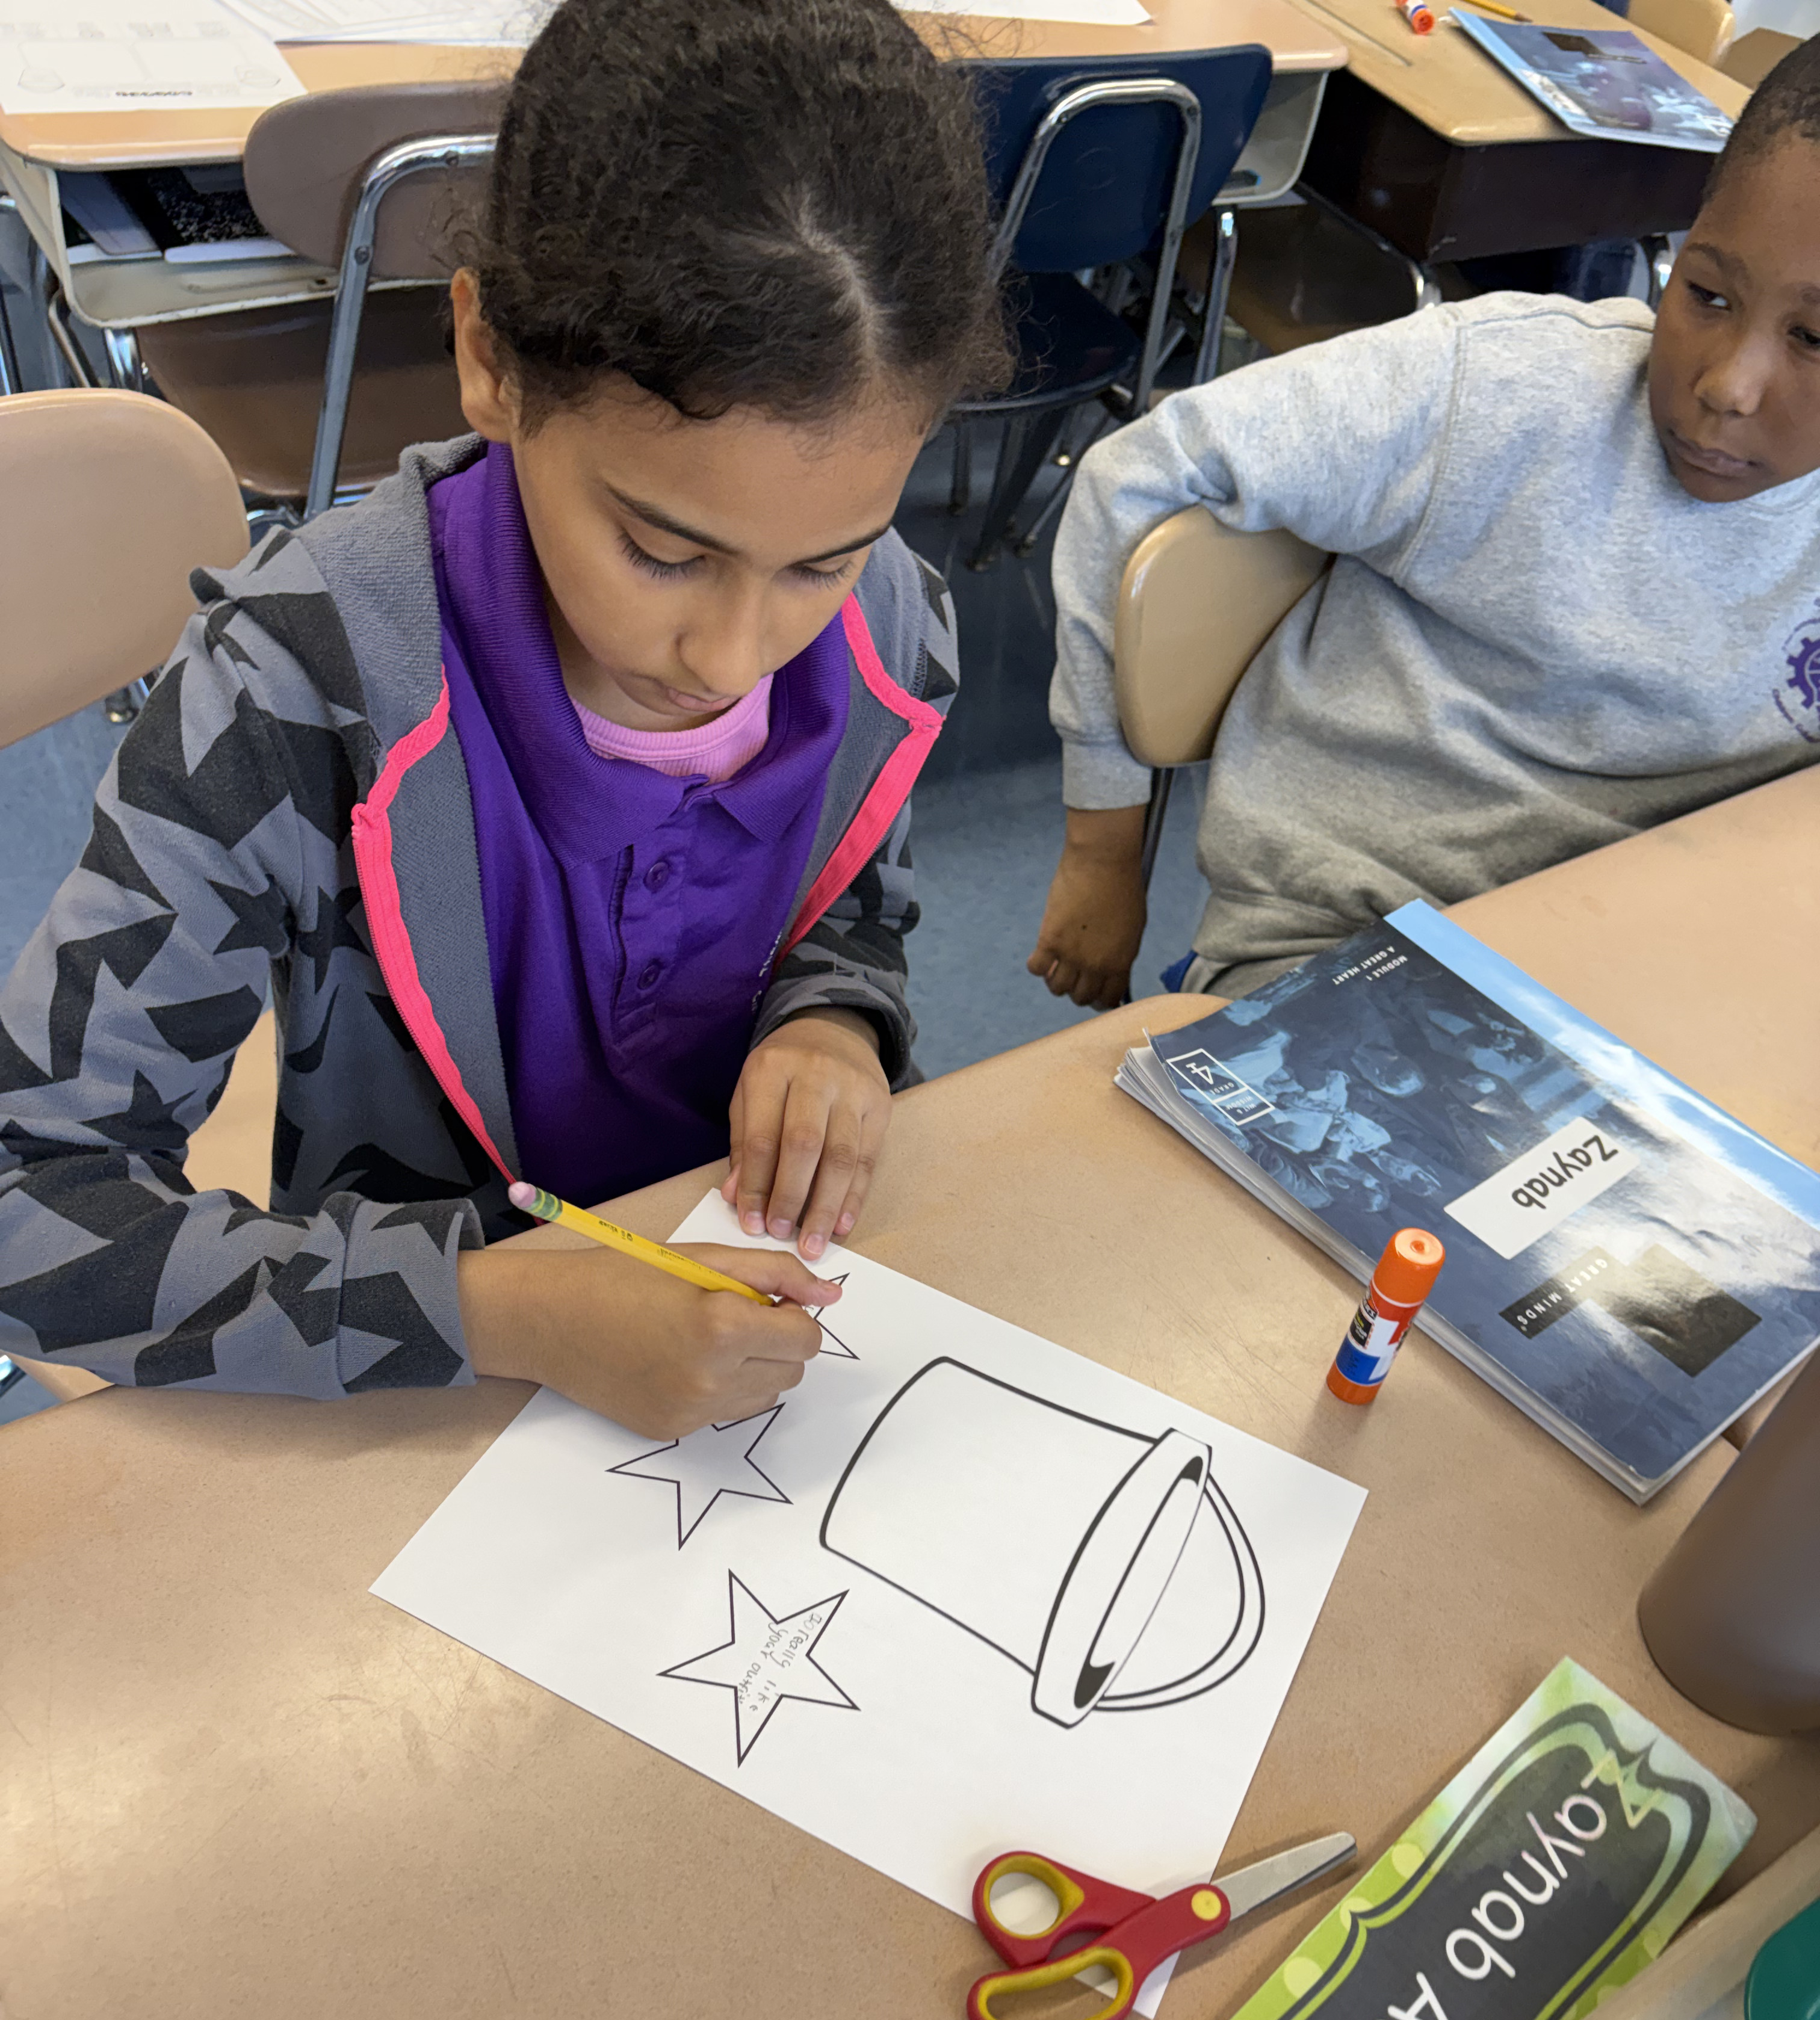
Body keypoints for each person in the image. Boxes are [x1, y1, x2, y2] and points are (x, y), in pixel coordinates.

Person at [0, 0, 1006, 1436]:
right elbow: (27, 1198)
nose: (733, 655)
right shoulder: (295, 690)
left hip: (753, 1347)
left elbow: (857, 904)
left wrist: (836, 1019)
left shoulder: (888, 626)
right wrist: (495, 1307)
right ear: (489, 352)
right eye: (662, 551)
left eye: (822, 558)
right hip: (410, 1389)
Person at [1029, 34, 1820, 1012]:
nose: (1728, 386)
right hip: (1353, 949)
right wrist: (1101, 847)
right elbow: (1134, 474)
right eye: (1705, 294)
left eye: (1814, 339)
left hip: (1671, 965)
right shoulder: (1496, 393)